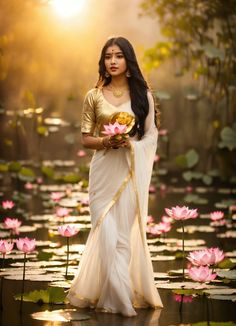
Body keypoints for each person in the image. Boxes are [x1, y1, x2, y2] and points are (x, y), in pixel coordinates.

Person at [67, 36, 163, 317]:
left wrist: (130, 145)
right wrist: (107, 142)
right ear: (103, 61)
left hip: (130, 171)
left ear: (128, 60)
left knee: (121, 238)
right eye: (108, 56)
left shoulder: (143, 95)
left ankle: (116, 298)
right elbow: (86, 139)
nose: (112, 61)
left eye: (118, 56)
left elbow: (151, 136)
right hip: (103, 172)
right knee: (106, 234)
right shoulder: (93, 95)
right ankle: (119, 301)